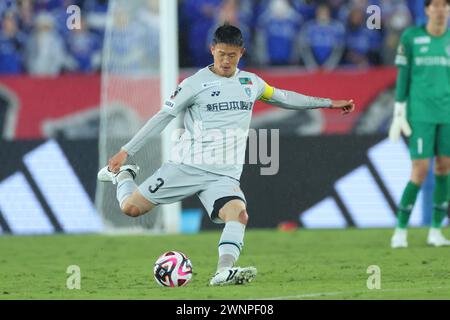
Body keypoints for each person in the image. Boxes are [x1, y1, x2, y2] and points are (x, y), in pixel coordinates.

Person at [97, 24, 355, 286]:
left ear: (241, 52)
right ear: (212, 50)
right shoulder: (194, 84)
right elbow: (162, 117)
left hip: (223, 175)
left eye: (232, 55)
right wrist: (126, 152)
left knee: (239, 214)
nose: (225, 60)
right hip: (187, 166)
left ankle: (223, 272)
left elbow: (285, 97)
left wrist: (327, 102)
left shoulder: (251, 83)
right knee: (130, 208)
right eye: (221, 54)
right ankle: (124, 176)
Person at [389, 0, 450, 248]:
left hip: (446, 114)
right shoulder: (411, 36)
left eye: (445, 5)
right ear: (426, 10)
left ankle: (436, 230)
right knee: (420, 169)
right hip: (421, 114)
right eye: (435, 5)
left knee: (444, 168)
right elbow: (403, 75)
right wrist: (399, 109)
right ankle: (400, 230)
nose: (439, 10)